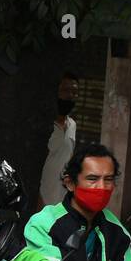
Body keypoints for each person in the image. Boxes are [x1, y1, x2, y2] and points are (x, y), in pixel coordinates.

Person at [37, 73, 78, 208]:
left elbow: (69, 159)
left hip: (61, 200)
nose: (70, 95)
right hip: (42, 197)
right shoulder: (45, 125)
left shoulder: (72, 125)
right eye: (66, 91)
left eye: (74, 92)